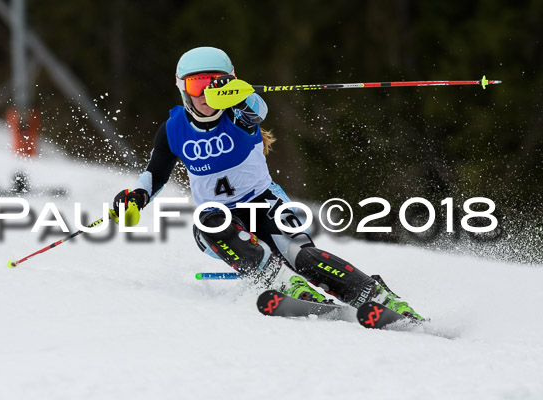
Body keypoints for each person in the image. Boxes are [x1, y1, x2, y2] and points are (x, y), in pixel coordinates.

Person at [111, 46, 423, 319]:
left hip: (266, 203)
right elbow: (155, 172)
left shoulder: (238, 113)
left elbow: (257, 110)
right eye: (197, 84)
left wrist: (237, 92)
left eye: (214, 83)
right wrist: (135, 197)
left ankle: (374, 295)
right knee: (210, 220)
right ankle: (283, 284)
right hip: (219, 220)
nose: (205, 94)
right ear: (182, 88)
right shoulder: (173, 128)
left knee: (303, 256)